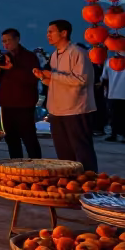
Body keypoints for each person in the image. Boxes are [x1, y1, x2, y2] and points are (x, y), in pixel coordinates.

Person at [37, 19, 99, 171]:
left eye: (51, 32)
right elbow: (57, 81)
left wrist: (53, 76)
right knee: (64, 153)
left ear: (63, 33)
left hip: (76, 109)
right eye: (47, 32)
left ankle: (89, 182)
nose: (48, 35)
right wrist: (43, 78)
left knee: (82, 152)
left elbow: (82, 80)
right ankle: (70, 182)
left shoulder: (78, 52)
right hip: (57, 110)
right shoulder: (54, 55)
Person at [0, 29, 43, 159]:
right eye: (4, 41)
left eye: (9, 40)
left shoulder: (29, 57)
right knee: (11, 139)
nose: (6, 44)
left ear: (17, 39)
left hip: (24, 104)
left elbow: (32, 79)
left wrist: (13, 69)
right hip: (7, 104)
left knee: (29, 138)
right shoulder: (4, 57)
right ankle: (16, 166)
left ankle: (37, 166)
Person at [102, 56, 125, 144]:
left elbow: (104, 77)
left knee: (114, 115)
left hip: (113, 92)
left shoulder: (109, 61)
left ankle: (114, 134)